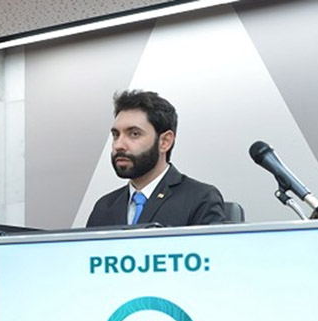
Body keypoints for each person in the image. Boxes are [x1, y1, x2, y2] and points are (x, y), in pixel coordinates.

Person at [87, 90, 225, 228]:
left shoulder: (200, 198)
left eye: (134, 134)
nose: (118, 145)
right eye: (116, 135)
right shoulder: (104, 207)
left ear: (165, 142)